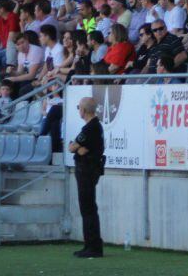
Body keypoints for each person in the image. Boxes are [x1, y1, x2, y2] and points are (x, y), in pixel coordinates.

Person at [69, 96, 105, 259]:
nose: (79, 110)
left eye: (79, 108)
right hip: (89, 169)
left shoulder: (90, 128)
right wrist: (78, 149)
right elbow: (76, 148)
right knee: (88, 208)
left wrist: (77, 148)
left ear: (83, 110)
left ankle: (93, 246)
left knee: (88, 208)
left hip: (87, 170)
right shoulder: (94, 127)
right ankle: (90, 244)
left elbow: (72, 147)